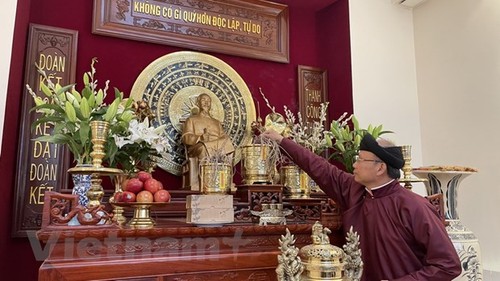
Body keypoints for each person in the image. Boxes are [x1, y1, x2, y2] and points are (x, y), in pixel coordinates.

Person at [261, 129, 461, 281]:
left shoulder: (415, 207)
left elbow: (448, 265)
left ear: (380, 167)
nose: (354, 164)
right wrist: (281, 140)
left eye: (360, 159)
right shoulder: (354, 190)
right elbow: (317, 166)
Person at [181, 93, 234, 190]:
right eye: (203, 100)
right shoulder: (191, 120)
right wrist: (200, 138)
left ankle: (226, 182)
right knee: (203, 148)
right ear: (198, 103)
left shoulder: (216, 122)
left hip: (216, 146)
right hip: (198, 147)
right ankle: (206, 182)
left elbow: (223, 136)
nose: (206, 103)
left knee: (229, 147)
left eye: (208, 101)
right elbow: (186, 137)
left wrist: (223, 140)